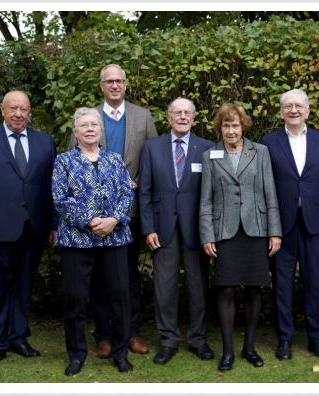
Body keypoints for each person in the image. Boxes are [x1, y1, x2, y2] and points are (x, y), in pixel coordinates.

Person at [0, 90, 57, 371]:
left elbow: (53, 189)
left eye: (23, 109)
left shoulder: (44, 142)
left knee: (24, 287)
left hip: (34, 228)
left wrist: (53, 224)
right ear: (2, 110)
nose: (18, 114)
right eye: (13, 108)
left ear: (30, 112)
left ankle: (18, 338)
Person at [199, 103, 282, 371]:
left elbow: (270, 194)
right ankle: (228, 352)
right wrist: (207, 235)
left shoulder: (260, 152)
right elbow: (205, 202)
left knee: (254, 289)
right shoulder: (210, 155)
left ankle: (249, 348)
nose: (231, 130)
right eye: (226, 125)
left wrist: (275, 231)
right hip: (224, 231)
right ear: (219, 128)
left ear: (243, 126)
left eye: (235, 125)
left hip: (255, 229)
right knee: (225, 289)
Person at [53, 107, 135, 375]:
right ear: (75, 131)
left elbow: (126, 192)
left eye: (94, 125)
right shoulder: (64, 161)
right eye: (84, 125)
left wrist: (114, 219)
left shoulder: (114, 159)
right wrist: (90, 220)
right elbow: (60, 198)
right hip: (77, 240)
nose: (89, 129)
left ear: (101, 131)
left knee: (120, 296)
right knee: (75, 298)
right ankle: (76, 355)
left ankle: (121, 353)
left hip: (115, 237)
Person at [84, 64, 158, 358]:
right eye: (109, 81)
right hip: (95, 214)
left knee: (129, 275)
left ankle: (131, 333)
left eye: (119, 81)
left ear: (126, 85)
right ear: (101, 86)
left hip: (131, 210)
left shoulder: (143, 116)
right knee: (99, 276)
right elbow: (74, 159)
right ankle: (104, 335)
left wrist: (140, 182)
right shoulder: (88, 117)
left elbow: (154, 159)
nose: (115, 85)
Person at [260, 89, 319, 361]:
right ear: (281, 111)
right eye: (288, 106)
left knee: (315, 282)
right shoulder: (269, 142)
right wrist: (271, 227)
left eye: (298, 106)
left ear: (307, 110)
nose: (293, 110)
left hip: (315, 225)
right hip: (282, 226)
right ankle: (285, 339)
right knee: (282, 284)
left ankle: (315, 338)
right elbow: (263, 188)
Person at [138, 98, 215, 365]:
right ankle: (168, 341)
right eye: (177, 113)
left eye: (187, 113)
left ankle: (198, 340)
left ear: (194, 117)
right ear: (168, 117)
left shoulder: (207, 148)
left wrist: (211, 231)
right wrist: (148, 228)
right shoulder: (151, 147)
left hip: (197, 230)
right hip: (162, 229)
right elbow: (145, 191)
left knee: (198, 287)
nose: (182, 117)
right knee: (165, 288)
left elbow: (213, 193)